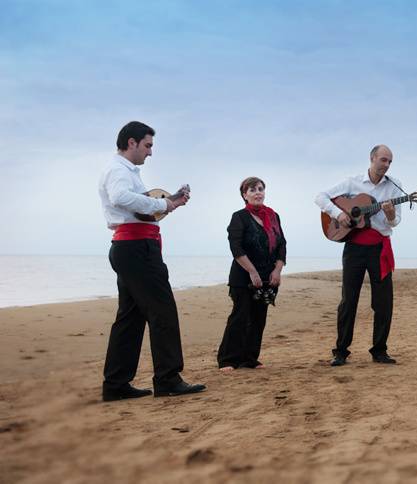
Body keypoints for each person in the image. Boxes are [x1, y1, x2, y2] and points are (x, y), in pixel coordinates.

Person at [98, 121, 206, 401]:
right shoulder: (118, 170)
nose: (150, 152)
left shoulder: (124, 171)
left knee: (130, 318)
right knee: (162, 311)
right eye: (147, 145)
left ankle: (116, 384)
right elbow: (120, 197)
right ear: (131, 142)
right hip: (136, 248)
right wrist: (162, 205)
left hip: (131, 246)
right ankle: (167, 379)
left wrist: (171, 203)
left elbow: (140, 208)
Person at [315, 145, 403, 366]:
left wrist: (391, 214)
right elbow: (320, 197)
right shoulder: (352, 182)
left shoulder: (395, 187)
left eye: (390, 162)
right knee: (348, 300)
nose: (386, 165)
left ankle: (379, 350)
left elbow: (395, 222)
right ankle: (341, 351)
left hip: (379, 248)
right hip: (354, 248)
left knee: (383, 302)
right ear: (372, 159)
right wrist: (339, 214)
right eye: (383, 160)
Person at [218, 177, 286, 371]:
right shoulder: (239, 217)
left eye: (260, 189)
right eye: (252, 190)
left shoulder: (273, 216)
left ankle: (249, 358)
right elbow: (236, 248)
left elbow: (282, 244)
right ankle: (228, 360)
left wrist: (277, 270)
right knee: (240, 317)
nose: (257, 193)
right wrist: (252, 272)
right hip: (242, 275)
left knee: (258, 318)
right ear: (244, 195)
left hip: (268, 276)